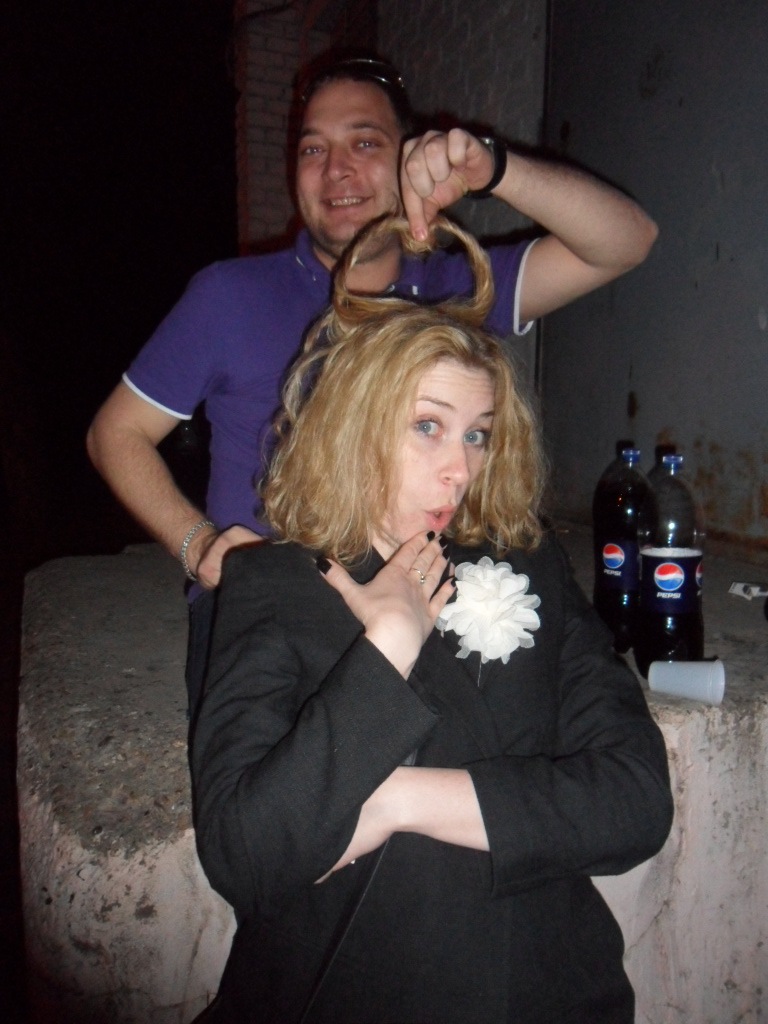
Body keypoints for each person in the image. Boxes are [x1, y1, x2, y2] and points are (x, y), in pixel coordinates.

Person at [190, 215, 673, 1023]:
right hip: (345, 988)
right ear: (355, 427)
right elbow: (248, 856)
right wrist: (388, 646)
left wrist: (393, 801)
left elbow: (635, 802)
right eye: (428, 427)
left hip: (543, 991)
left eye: (479, 435)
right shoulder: (269, 584)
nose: (461, 467)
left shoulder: (529, 568)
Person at [86, 54, 658, 710]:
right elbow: (115, 434)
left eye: (364, 143)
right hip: (271, 605)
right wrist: (200, 545)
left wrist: (494, 170)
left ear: (409, 161)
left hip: (421, 593)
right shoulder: (230, 295)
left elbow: (627, 242)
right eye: (313, 148)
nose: (336, 170)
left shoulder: (454, 288)